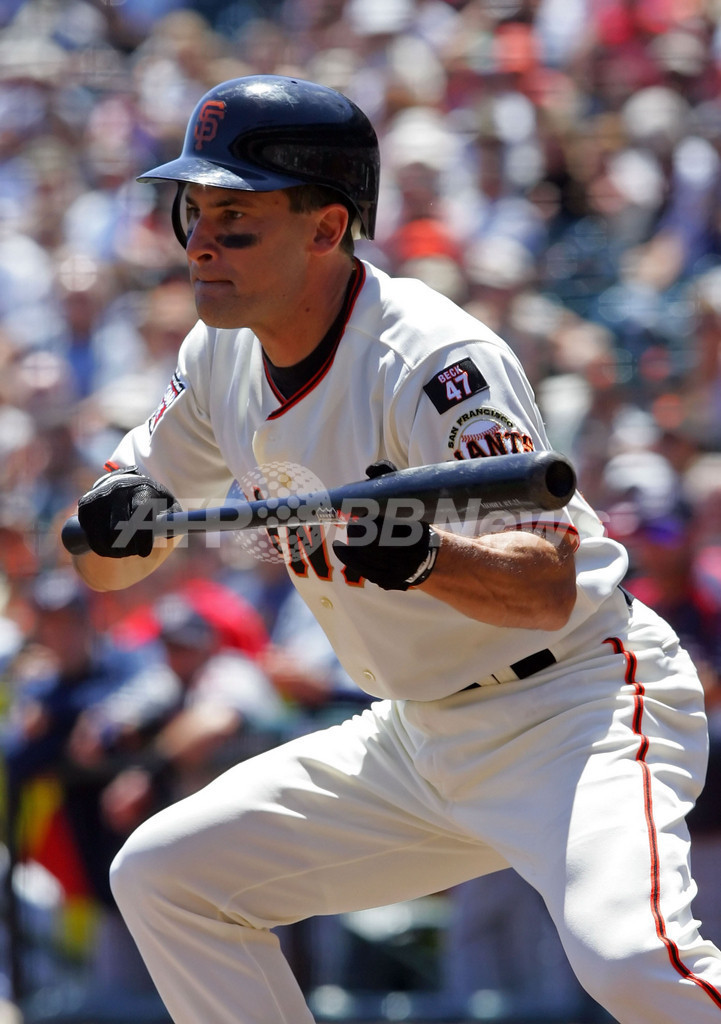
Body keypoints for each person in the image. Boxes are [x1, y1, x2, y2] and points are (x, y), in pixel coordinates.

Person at [67, 74, 721, 1024]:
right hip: (418, 735)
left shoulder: (431, 357)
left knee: (629, 965)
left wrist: (423, 559)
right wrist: (112, 525)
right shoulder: (218, 354)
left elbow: (547, 588)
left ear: (327, 228)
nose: (201, 241)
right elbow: (105, 565)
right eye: (192, 211)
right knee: (167, 878)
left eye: (235, 217)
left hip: (573, 708)